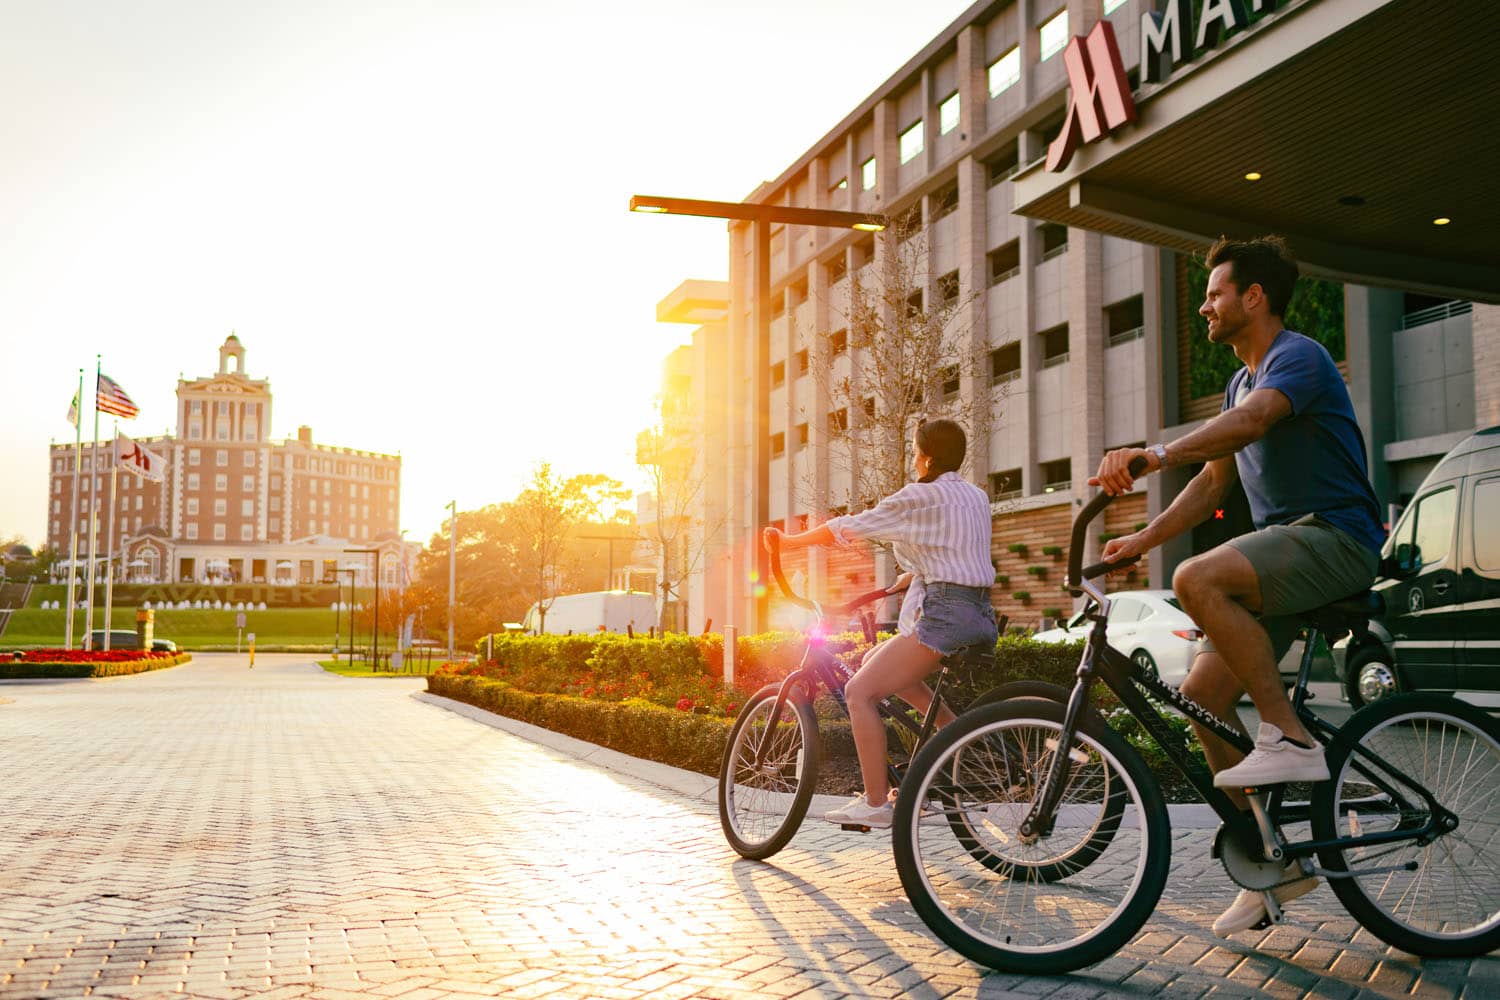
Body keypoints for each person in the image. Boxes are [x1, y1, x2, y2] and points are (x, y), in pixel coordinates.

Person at [1091, 235, 1385, 936]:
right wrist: (1141, 539)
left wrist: (1153, 450)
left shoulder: (1297, 358)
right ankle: (1271, 857)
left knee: (1197, 577)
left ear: (1254, 298)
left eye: (1215, 294)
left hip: (1336, 540)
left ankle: (1289, 736)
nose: (1203, 307)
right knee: (1201, 696)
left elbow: (1253, 424)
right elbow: (1214, 483)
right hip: (1290, 551)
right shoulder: (1237, 381)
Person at [763, 417, 998, 829]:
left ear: (925, 459)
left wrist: (789, 542)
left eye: (913, 451)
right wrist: (913, 574)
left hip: (943, 616)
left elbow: (849, 526)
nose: (912, 459)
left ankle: (874, 803)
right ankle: (953, 736)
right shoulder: (975, 496)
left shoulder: (919, 497)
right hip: (979, 613)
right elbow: (956, 551)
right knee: (879, 659)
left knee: (858, 692)